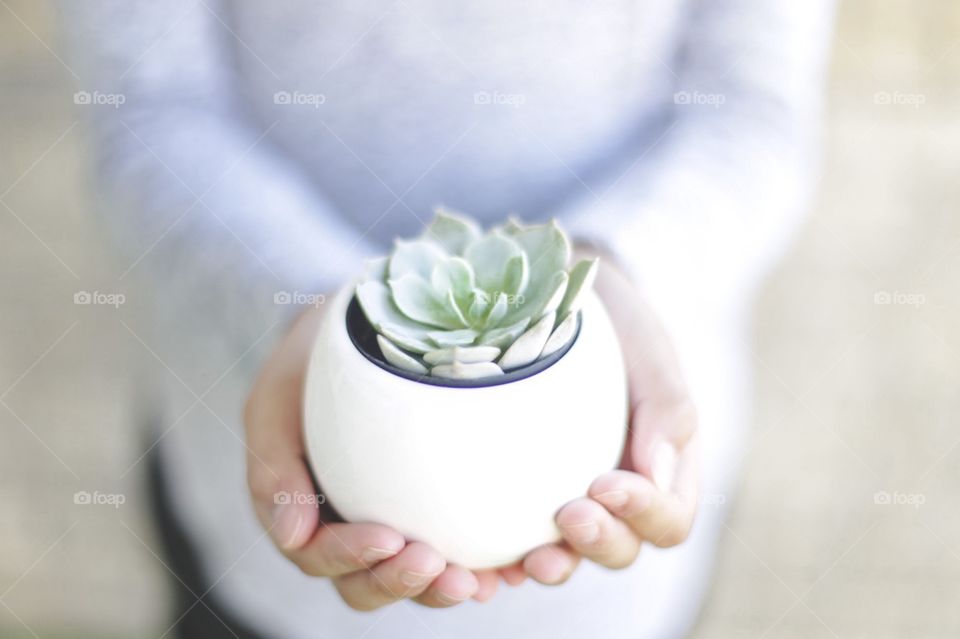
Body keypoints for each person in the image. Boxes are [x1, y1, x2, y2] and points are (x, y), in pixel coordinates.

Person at [59, 1, 835, 636]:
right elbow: (146, 107)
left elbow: (754, 110)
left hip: (621, 514)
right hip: (255, 509)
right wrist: (302, 310)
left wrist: (623, 273)